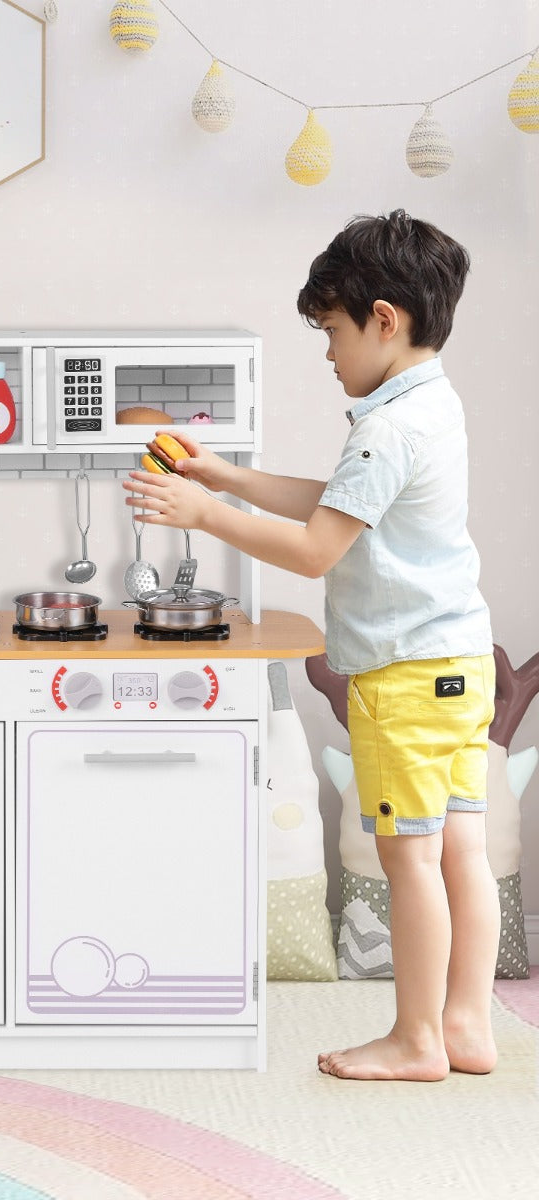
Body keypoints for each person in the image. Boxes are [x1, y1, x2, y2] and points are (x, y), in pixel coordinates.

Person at [123, 210, 497, 1082]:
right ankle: (467, 1025)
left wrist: (206, 515)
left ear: (382, 318)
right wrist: (229, 475)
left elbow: (317, 547)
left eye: (331, 331)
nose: (327, 353)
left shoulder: (385, 426)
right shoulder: (429, 404)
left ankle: (415, 1040)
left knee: (409, 856)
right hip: (458, 663)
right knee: (461, 848)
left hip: (403, 676)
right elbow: (342, 499)